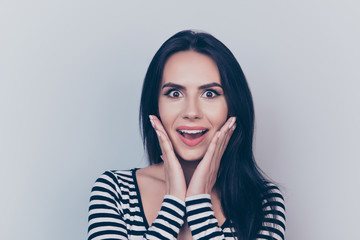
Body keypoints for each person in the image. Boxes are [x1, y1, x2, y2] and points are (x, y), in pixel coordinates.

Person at [87, 30, 286, 240]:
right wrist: (173, 203)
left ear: (233, 106)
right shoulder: (115, 191)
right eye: (175, 93)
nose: (191, 112)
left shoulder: (263, 202)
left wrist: (199, 201)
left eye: (210, 93)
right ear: (155, 105)